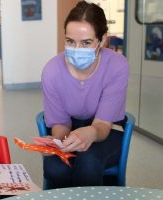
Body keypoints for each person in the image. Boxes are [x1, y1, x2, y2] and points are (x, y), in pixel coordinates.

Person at [41, 1, 129, 188]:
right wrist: (60, 142)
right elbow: (61, 124)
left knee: (88, 162)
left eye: (86, 42)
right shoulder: (52, 71)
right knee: (55, 167)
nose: (77, 49)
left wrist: (91, 132)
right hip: (71, 127)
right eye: (70, 41)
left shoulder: (117, 65)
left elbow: (102, 126)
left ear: (102, 39)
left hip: (107, 128)